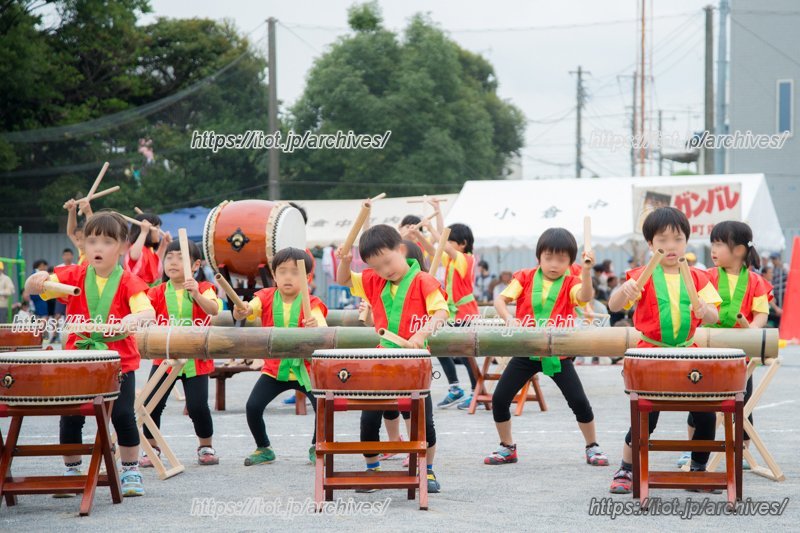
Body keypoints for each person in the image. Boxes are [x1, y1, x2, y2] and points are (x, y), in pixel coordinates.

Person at [25, 211, 156, 497]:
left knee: (122, 415)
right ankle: (71, 469)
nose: (98, 247)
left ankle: (131, 469)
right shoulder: (73, 274)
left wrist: (133, 320)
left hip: (118, 360)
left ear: (121, 246)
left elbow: (147, 310)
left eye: (107, 241)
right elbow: (40, 286)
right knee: (71, 414)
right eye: (92, 240)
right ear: (84, 245)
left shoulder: (128, 281)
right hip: (79, 358)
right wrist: (37, 280)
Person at [607, 207, 721, 495]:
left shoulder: (698, 277)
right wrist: (626, 290)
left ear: (687, 241)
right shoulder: (640, 275)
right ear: (650, 243)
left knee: (706, 414)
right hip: (651, 354)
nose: (670, 246)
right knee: (646, 415)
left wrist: (704, 309)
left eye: (677, 239)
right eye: (663, 239)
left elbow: (714, 318)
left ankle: (698, 469)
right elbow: (614, 305)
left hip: (688, 353)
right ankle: (626, 468)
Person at [336, 224, 448, 494]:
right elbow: (343, 280)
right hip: (382, 359)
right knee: (369, 417)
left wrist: (421, 334)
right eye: (377, 267)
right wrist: (345, 261)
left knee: (423, 420)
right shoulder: (375, 281)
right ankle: (372, 469)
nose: (385, 271)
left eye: (387, 262)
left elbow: (441, 313)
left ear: (401, 249)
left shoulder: (423, 280)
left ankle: (428, 470)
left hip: (415, 360)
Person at [486, 227, 609, 468]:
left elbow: (584, 297)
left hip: (558, 353)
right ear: (539, 257)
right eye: (548, 257)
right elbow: (500, 300)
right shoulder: (524, 277)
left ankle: (592, 446)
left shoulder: (572, 281)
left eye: (561, 259)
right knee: (500, 399)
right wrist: (508, 319)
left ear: (570, 261)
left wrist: (586, 270)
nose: (554, 264)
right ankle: (507, 447)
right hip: (527, 349)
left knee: (579, 402)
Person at [675, 221, 772, 469]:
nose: (713, 250)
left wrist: (753, 332)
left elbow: (760, 313)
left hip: (739, 348)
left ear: (739, 250)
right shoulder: (706, 276)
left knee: (743, 399)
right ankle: (692, 450)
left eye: (719, 244)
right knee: (698, 398)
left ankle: (742, 451)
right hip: (707, 346)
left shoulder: (755, 281)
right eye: (713, 244)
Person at [233, 248, 327, 466]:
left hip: (306, 369)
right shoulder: (265, 296)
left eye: (295, 272)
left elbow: (321, 325)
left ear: (308, 278)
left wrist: (316, 325)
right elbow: (249, 308)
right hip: (274, 369)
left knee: (323, 407)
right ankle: (264, 447)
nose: (287, 277)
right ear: (274, 275)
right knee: (253, 407)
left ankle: (318, 446)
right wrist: (241, 310)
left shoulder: (312, 302)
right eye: (282, 271)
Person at [140, 239, 222, 467]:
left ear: (196, 265)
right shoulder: (155, 292)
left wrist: (196, 294)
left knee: (197, 406)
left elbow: (214, 310)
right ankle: (151, 447)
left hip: (196, 359)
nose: (173, 262)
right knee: (151, 404)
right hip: (164, 358)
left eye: (180, 257)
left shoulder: (205, 288)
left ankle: (205, 445)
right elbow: (143, 313)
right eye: (169, 257)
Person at [420, 222, 479, 409]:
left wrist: (431, 229)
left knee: (466, 354)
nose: (446, 245)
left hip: (465, 313)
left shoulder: (466, 259)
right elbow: (434, 250)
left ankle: (476, 391)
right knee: (439, 348)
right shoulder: (453, 260)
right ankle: (455, 389)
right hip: (453, 313)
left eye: (451, 242)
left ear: (462, 244)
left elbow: (442, 244)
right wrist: (419, 235)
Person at [124, 212, 169, 286]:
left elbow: (156, 264)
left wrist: (164, 244)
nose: (159, 232)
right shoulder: (136, 247)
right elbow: (134, 256)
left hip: (147, 291)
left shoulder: (149, 250)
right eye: (157, 228)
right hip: (135, 290)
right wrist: (144, 232)